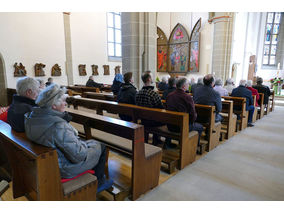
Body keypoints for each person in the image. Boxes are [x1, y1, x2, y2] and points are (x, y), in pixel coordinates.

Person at [24, 84, 112, 189]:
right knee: (101, 146)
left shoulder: (31, 117)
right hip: (65, 168)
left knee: (90, 143)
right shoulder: (58, 126)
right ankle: (98, 183)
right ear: (53, 105)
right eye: (62, 101)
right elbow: (79, 156)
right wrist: (86, 146)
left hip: (50, 162)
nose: (65, 103)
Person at [166, 78, 203, 147]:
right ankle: (193, 148)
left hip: (170, 125)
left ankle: (168, 143)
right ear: (183, 86)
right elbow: (193, 114)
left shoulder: (169, 95)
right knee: (200, 127)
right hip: (182, 126)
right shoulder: (187, 97)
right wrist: (192, 122)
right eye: (188, 84)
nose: (188, 85)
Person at [136, 71, 164, 146]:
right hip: (153, 121)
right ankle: (156, 140)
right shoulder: (153, 93)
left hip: (143, 120)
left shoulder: (138, 93)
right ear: (149, 79)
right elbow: (161, 108)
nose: (153, 78)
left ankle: (153, 139)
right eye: (152, 77)